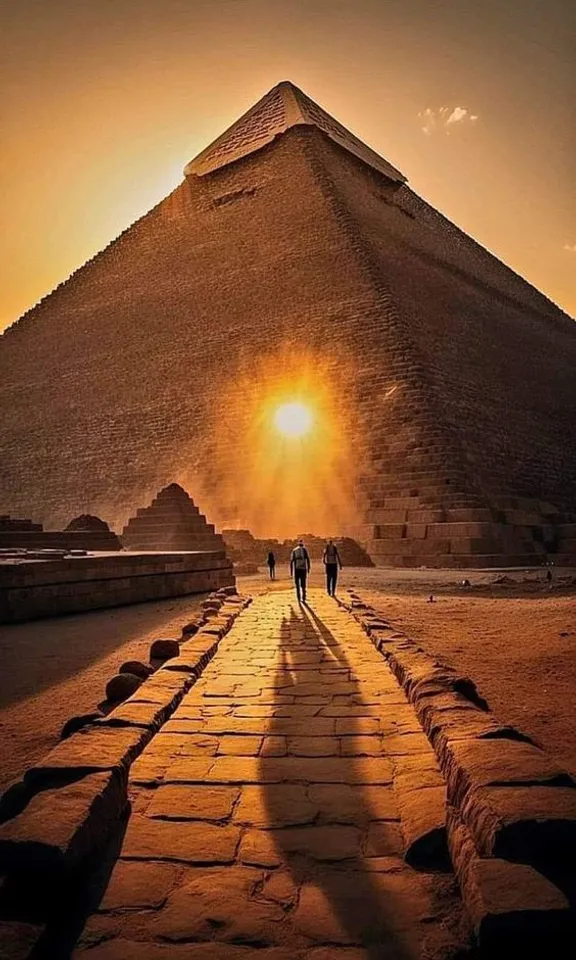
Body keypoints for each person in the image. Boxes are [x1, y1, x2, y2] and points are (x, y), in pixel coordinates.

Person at [290, 538, 310, 603]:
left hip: (297, 569)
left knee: (297, 585)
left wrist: (291, 571)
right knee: (303, 584)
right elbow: (308, 559)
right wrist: (308, 568)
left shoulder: (294, 550)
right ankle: (303, 597)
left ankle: (299, 598)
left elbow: (291, 561)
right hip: (303, 569)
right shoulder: (304, 550)